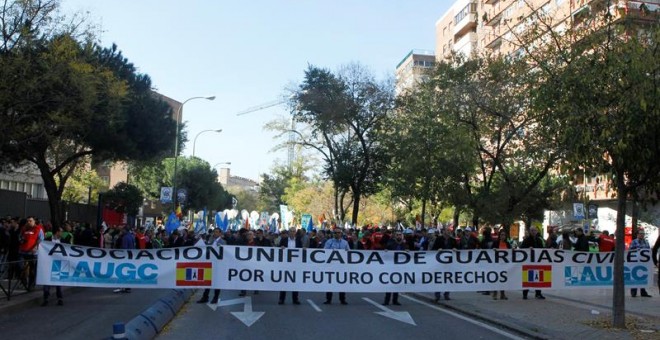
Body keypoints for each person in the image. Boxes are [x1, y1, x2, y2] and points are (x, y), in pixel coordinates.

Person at [197, 228, 225, 304]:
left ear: (220, 233)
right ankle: (205, 297)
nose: (215, 233)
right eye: (214, 232)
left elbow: (225, 253)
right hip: (210, 263)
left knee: (217, 282)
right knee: (208, 281)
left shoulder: (223, 242)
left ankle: (215, 297)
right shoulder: (211, 240)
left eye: (216, 232)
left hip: (218, 265)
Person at [323, 229, 350, 305]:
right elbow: (324, 251)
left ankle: (342, 299)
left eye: (339, 233)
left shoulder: (345, 243)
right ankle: (328, 299)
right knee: (330, 282)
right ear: (333, 234)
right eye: (335, 233)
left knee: (342, 282)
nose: (337, 234)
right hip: (331, 266)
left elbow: (349, 252)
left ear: (341, 234)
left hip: (341, 266)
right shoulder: (329, 242)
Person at [42, 226, 66, 306]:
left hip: (57, 263)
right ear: (57, 232)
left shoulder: (63, 240)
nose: (62, 233)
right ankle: (45, 298)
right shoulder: (47, 239)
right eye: (61, 231)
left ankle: (60, 299)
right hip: (48, 263)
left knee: (58, 281)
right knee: (46, 281)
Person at [432, 228, 458, 302]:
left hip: (449, 262)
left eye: (449, 231)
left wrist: (455, 249)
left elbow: (458, 249)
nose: (448, 232)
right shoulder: (439, 239)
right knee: (439, 278)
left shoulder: (453, 240)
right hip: (440, 263)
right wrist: (438, 249)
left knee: (449, 278)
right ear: (443, 232)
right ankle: (437, 295)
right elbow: (433, 248)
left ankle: (447, 294)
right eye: (447, 231)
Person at [18, 216, 43, 291]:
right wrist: (21, 240)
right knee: (20, 267)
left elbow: (41, 239)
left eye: (30, 221)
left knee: (32, 270)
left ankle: (31, 285)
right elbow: (19, 237)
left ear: (34, 221)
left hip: (32, 253)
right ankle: (24, 282)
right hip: (22, 251)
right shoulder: (24, 228)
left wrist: (36, 247)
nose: (29, 222)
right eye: (28, 221)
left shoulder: (38, 229)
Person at [521, 227, 546, 300]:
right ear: (530, 231)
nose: (533, 232)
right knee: (527, 278)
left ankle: (538, 293)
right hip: (529, 262)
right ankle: (525, 294)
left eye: (534, 230)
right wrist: (528, 248)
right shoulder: (526, 240)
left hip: (537, 262)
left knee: (539, 278)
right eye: (532, 230)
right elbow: (521, 248)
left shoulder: (539, 240)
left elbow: (543, 249)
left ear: (537, 231)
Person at [278, 229, 302, 305]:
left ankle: (295, 299)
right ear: (289, 232)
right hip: (285, 263)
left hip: (295, 264)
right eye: (291, 231)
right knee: (284, 281)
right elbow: (278, 250)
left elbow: (301, 251)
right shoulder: (284, 240)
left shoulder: (298, 241)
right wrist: (281, 247)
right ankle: (281, 299)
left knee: (295, 281)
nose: (292, 232)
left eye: (293, 231)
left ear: (295, 233)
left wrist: (304, 249)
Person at [383, 231, 406, 306]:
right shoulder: (391, 244)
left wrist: (408, 252)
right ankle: (387, 300)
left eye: (400, 235)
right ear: (395, 236)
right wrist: (386, 251)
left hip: (400, 266)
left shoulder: (404, 244)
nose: (399, 236)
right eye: (397, 235)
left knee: (397, 284)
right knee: (389, 284)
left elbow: (409, 252)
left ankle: (395, 300)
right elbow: (385, 252)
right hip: (391, 266)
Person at [629, 230, 652, 297]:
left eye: (643, 234)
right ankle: (633, 291)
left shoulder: (646, 242)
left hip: (644, 262)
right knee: (635, 276)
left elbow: (648, 251)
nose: (642, 235)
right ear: (637, 234)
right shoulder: (634, 242)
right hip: (635, 262)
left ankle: (643, 291)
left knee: (643, 276)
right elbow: (630, 251)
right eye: (640, 234)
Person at [491, 229, 510, 300]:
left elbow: (510, 253)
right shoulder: (496, 243)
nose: (503, 236)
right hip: (496, 264)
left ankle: (502, 294)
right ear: (499, 235)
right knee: (496, 279)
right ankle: (495, 294)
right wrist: (494, 250)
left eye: (504, 235)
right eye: (501, 235)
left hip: (504, 265)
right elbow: (490, 251)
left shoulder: (507, 244)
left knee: (503, 279)